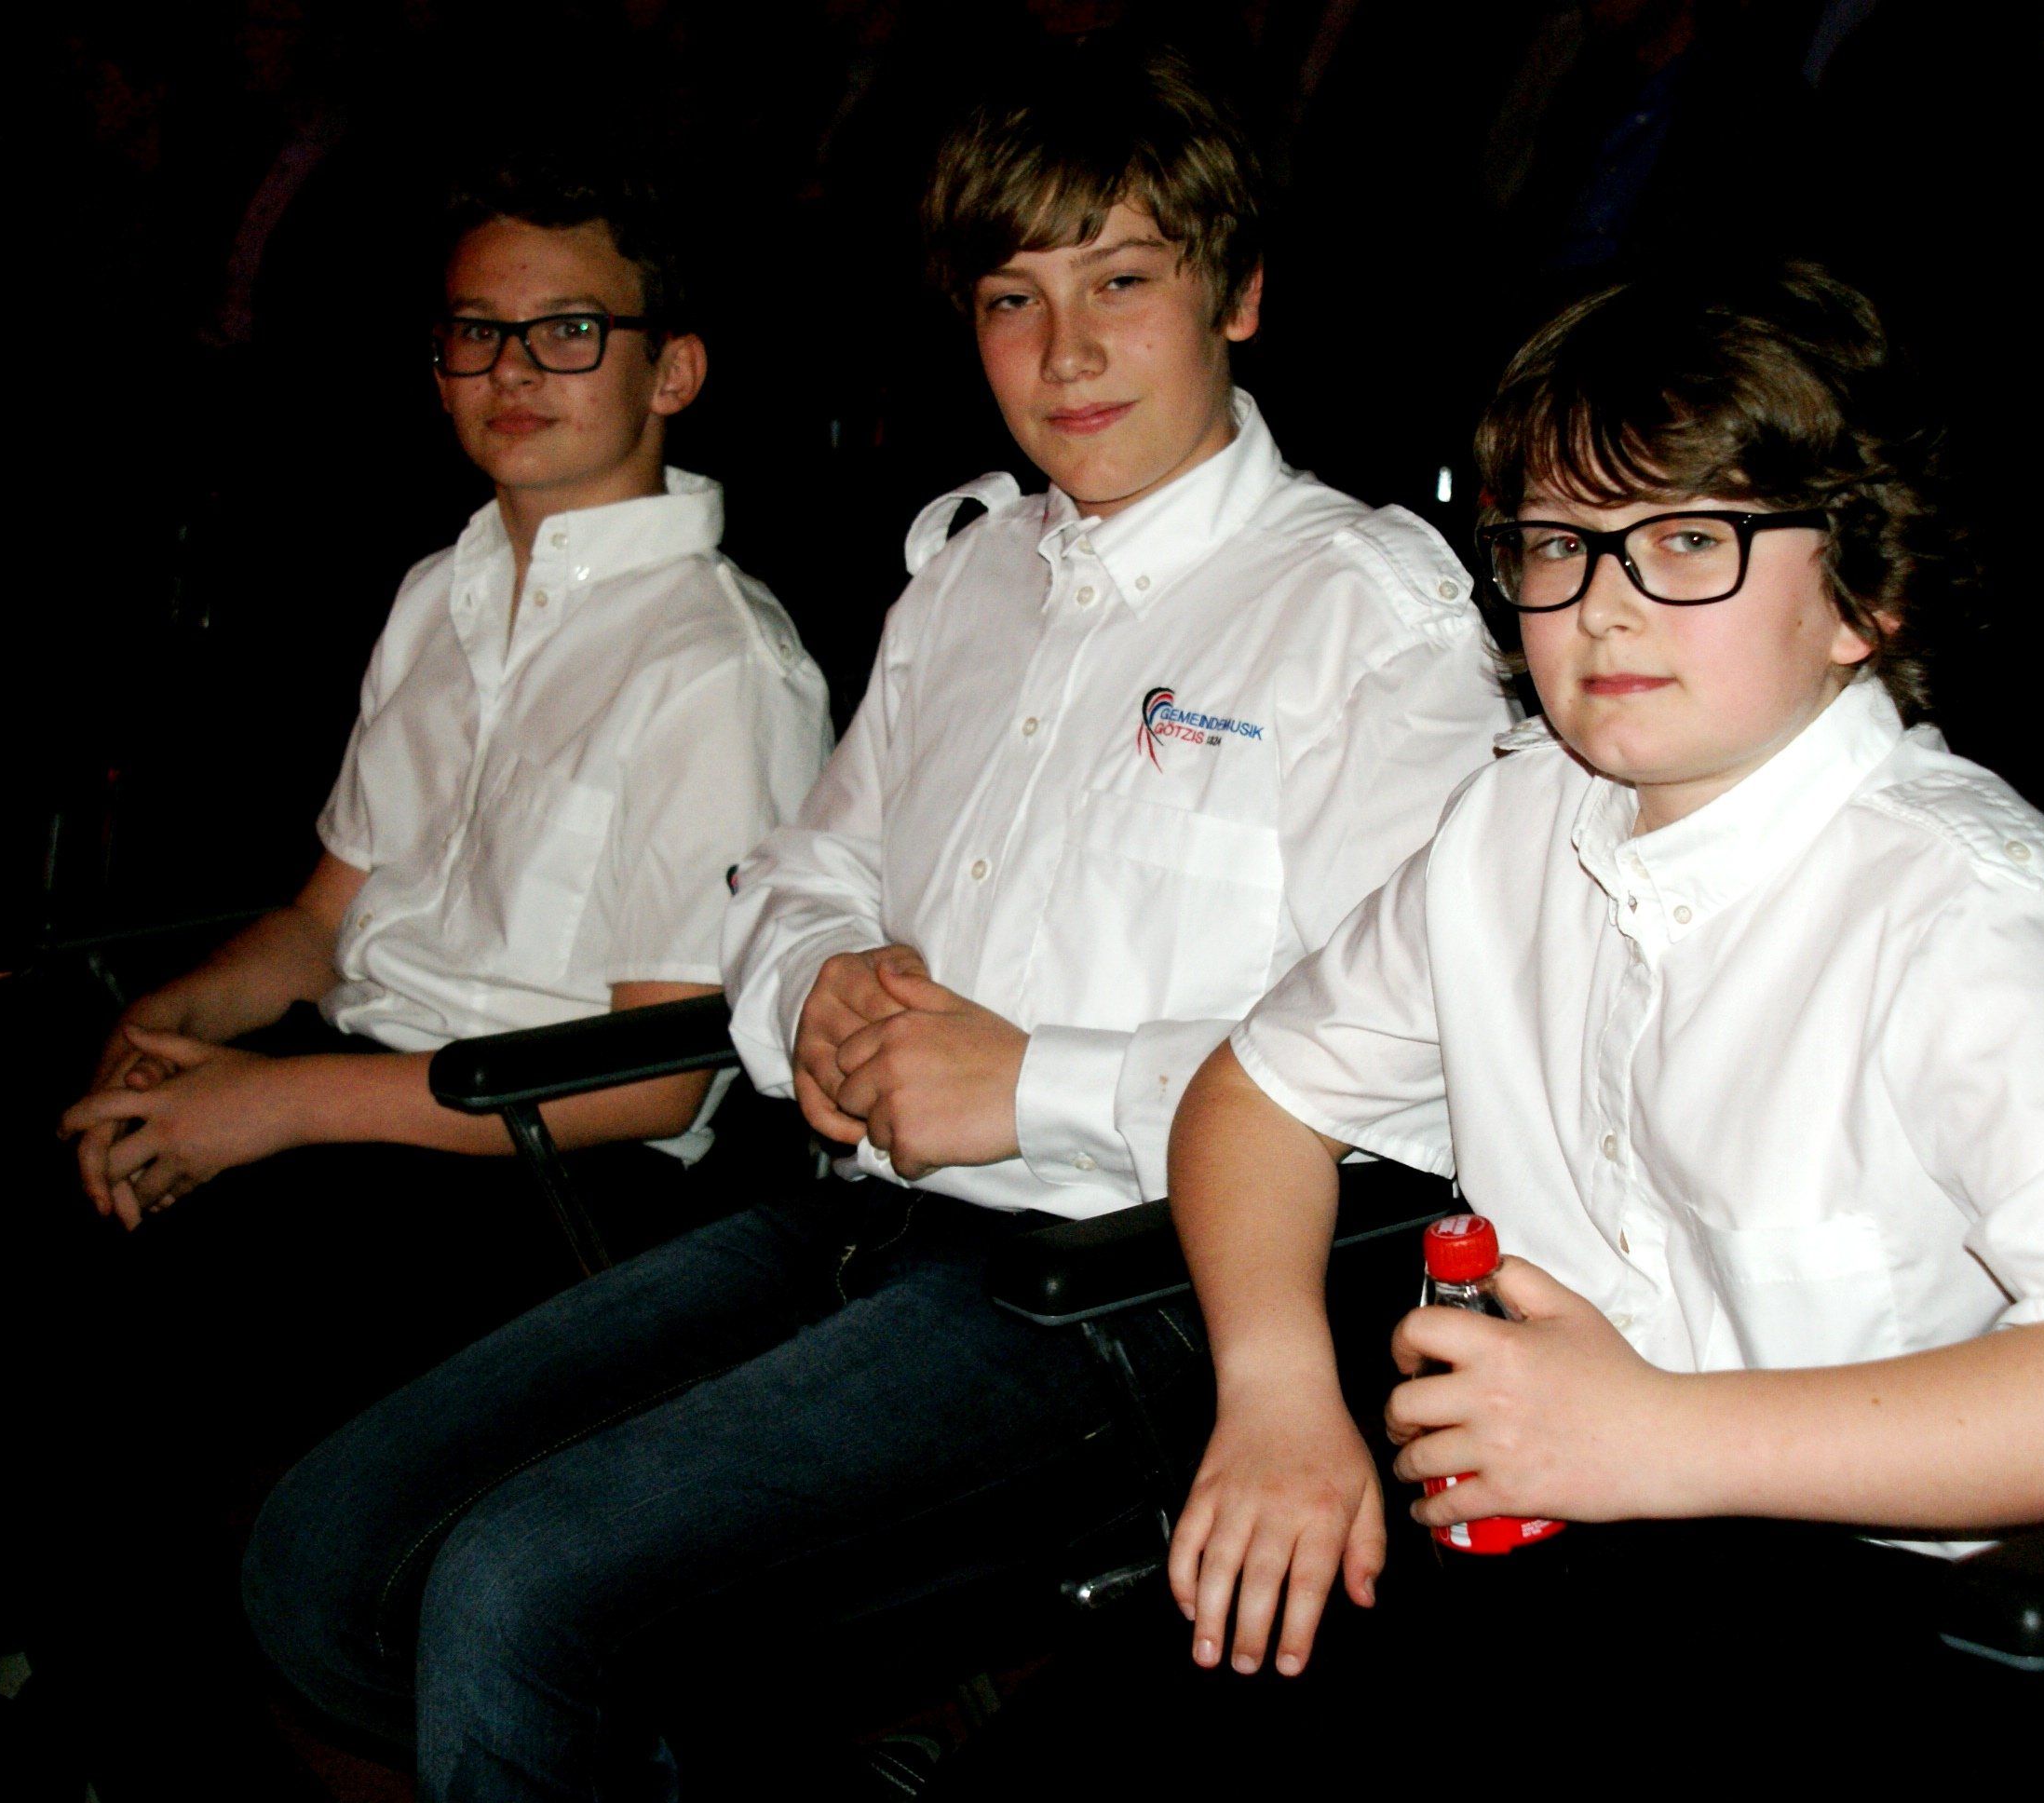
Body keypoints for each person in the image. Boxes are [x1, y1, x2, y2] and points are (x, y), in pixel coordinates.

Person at [240, 40, 1513, 1801]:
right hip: (855, 1218)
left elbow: (1436, 1072)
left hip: (1126, 1279)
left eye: (1121, 283)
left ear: (1238, 296)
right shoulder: (972, 571)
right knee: (321, 1562)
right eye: (1013, 299)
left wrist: (1032, 1081)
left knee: (523, 1598)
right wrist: (817, 988)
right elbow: (801, 872)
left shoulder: (1359, 613)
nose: (1065, 352)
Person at [947, 262, 2044, 1798]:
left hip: (1867, 1625)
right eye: (1558, 545)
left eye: (1690, 540)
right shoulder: (1513, 822)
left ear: (1866, 596)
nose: (1603, 604)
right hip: (1543, 1549)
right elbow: (1256, 1096)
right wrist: (1279, 1397)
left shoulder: (1977, 921)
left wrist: (1654, 1436)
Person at [34, 153, 829, 1801]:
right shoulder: (441, 592)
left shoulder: (715, 661)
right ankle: (123, 1729)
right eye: (477, 333)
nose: (512, 371)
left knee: (134, 1350)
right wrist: (175, 1028)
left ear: (672, 371)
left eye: (567, 332)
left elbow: (653, 1083)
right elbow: (324, 922)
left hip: (555, 1180)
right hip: (364, 1101)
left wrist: (268, 1112)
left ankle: (161, 1741)